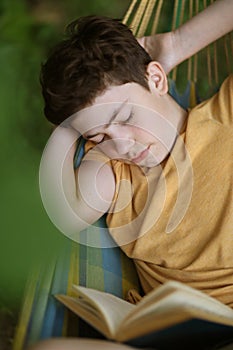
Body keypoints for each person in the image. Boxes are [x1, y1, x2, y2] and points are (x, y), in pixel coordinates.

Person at [34, 0, 233, 349]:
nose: (123, 144)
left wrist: (176, 43)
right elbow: (66, 215)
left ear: (156, 78)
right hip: (178, 335)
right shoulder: (114, 172)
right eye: (98, 135)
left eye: (125, 118)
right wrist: (66, 131)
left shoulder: (224, 114)